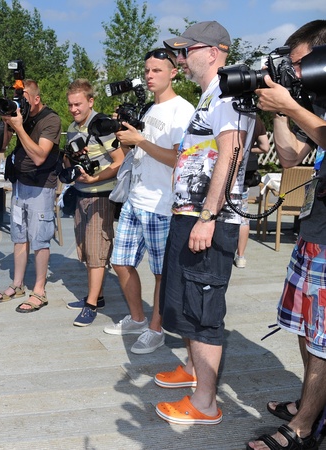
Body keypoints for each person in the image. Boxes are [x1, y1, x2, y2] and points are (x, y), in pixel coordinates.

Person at [155, 21, 256, 426]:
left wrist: (209, 216)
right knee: (185, 301)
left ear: (213, 52)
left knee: (203, 310)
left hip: (210, 217)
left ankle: (205, 403)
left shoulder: (228, 93)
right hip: (190, 215)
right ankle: (194, 371)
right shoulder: (212, 93)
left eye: (187, 50)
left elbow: (232, 154)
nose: (180, 59)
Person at [247, 20, 326, 450]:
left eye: (297, 64)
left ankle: (303, 429)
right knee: (303, 325)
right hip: (313, 227)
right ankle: (309, 403)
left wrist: (292, 107)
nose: (293, 72)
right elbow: (291, 156)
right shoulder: (316, 102)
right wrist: (280, 109)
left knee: (324, 338)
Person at [104, 48, 195, 353]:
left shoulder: (182, 110)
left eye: (157, 70)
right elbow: (135, 153)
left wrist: (140, 140)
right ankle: (138, 318)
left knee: (160, 273)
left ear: (174, 73)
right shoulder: (147, 109)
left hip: (162, 204)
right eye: (147, 70)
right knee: (120, 262)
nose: (149, 75)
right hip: (135, 197)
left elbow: (180, 159)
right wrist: (125, 136)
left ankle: (156, 330)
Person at [0, 79, 62, 313]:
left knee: (40, 239)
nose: (19, 104)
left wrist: (20, 128)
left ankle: (39, 291)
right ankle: (17, 284)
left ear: (36, 99)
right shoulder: (20, 116)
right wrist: (7, 124)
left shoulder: (50, 120)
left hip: (41, 187)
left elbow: (39, 156)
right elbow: (1, 146)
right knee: (19, 236)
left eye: (23, 100)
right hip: (20, 184)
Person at [62, 79, 123, 326]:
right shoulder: (72, 127)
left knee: (97, 251)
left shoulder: (102, 125)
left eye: (78, 104)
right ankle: (96, 296)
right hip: (81, 193)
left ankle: (90, 306)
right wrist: (73, 157)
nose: (73, 109)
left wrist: (96, 177)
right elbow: (68, 162)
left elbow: (120, 161)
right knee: (87, 249)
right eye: (70, 105)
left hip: (101, 195)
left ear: (90, 101)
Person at [234, 119, 270, 268]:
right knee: (243, 217)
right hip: (245, 172)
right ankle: (241, 256)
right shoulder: (255, 119)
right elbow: (265, 147)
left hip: (224, 168)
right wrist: (248, 148)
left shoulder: (225, 114)